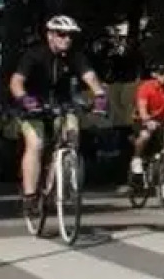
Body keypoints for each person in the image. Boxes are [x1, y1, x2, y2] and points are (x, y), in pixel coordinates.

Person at [8, 16, 108, 208]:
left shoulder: (75, 57)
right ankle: (30, 195)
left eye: (70, 35)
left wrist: (100, 96)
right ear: (50, 35)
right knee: (36, 144)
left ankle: (60, 178)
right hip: (34, 106)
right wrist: (25, 99)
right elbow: (16, 81)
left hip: (62, 105)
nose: (67, 39)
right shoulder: (34, 55)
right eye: (62, 35)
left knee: (72, 133)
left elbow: (90, 77)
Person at [129, 60, 164, 185]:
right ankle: (137, 158)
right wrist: (147, 120)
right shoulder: (146, 87)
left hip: (163, 121)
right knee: (145, 135)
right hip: (143, 119)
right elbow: (142, 108)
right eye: (161, 74)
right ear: (154, 74)